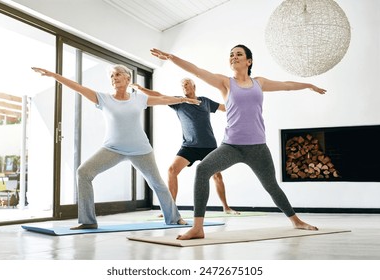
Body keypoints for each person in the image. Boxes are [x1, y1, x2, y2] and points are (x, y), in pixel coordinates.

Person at [150, 45, 325, 240]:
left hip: (258, 147)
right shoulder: (225, 83)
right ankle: (198, 227)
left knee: (271, 186)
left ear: (249, 61)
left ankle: (296, 220)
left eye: (239, 54)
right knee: (203, 170)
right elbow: (197, 71)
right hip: (231, 146)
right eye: (231, 55)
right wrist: (171, 57)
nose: (234, 57)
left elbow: (286, 85)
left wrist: (308, 85)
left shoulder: (260, 83)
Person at [32, 65, 201, 229]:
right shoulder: (103, 99)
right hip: (112, 148)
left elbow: (163, 100)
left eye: (118, 74)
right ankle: (88, 220)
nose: (114, 78)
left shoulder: (138, 98)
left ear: (128, 78)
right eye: (112, 76)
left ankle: (174, 218)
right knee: (83, 173)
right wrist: (54, 75)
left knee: (157, 183)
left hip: (140, 149)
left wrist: (183, 99)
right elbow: (77, 87)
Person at [131, 79, 239, 215]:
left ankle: (226, 207)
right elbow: (159, 95)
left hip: (208, 146)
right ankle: (171, 208)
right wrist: (141, 88)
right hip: (189, 146)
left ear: (194, 86)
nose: (184, 86)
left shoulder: (205, 101)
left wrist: (240, 102)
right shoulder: (179, 102)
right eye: (182, 85)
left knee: (217, 176)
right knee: (172, 170)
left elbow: (225, 108)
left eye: (187, 84)